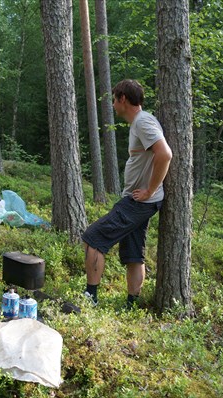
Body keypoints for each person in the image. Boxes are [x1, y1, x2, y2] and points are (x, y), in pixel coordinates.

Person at [81, 79, 173, 309]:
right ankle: (132, 305)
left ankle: (90, 297)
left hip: (139, 201)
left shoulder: (143, 122)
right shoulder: (140, 123)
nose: (113, 104)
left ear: (123, 99)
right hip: (142, 201)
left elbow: (165, 154)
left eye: (114, 99)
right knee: (133, 254)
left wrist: (150, 190)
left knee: (94, 238)